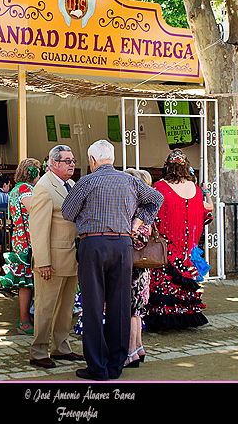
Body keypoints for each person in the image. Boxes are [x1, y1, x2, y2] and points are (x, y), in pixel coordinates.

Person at [62, 140, 163, 381]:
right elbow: (156, 198)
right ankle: (116, 364)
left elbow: (67, 212)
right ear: (113, 158)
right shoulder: (130, 181)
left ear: (92, 160)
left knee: (94, 306)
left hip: (93, 244)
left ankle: (97, 367)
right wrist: (139, 221)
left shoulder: (86, 181)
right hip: (122, 245)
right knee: (120, 304)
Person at [28, 145, 83, 369]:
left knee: (66, 307)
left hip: (71, 257)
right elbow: (38, 229)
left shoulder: (69, 185)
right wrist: (43, 262)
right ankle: (38, 350)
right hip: (52, 260)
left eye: (72, 160)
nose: (72, 164)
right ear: (54, 163)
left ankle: (61, 346)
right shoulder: (43, 188)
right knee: (45, 307)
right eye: (67, 161)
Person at [145, 149, 211, 332]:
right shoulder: (195, 189)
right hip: (186, 247)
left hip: (166, 245)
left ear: (167, 167)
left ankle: (163, 318)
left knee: (164, 279)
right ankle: (186, 316)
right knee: (185, 278)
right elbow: (206, 215)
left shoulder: (160, 187)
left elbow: (152, 215)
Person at [0, 159, 40, 334]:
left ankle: (26, 319)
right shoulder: (25, 190)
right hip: (28, 240)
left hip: (20, 238)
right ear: (33, 172)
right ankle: (24, 321)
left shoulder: (15, 189)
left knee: (27, 280)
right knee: (27, 281)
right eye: (38, 171)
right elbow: (35, 211)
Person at [124, 168, 154, 368]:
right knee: (136, 312)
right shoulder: (148, 208)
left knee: (130, 311)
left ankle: (130, 352)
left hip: (134, 267)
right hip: (143, 269)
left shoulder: (138, 212)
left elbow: (138, 241)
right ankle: (138, 348)